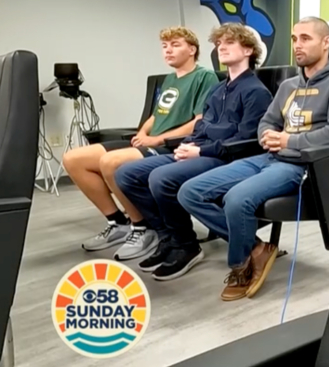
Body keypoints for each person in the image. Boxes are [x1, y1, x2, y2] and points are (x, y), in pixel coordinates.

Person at [178, 16, 329, 301]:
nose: (297, 45)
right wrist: (268, 135)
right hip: (269, 157)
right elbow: (267, 121)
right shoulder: (289, 86)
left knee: (237, 199)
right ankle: (256, 248)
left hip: (303, 166)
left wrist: (290, 140)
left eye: (305, 38)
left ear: (326, 42)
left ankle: (239, 265)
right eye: (293, 38)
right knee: (190, 192)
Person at [114, 23, 273, 280]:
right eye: (218, 43)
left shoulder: (256, 92)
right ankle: (169, 237)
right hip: (202, 151)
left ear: (248, 50)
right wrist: (188, 145)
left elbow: (246, 141)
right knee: (126, 174)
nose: (220, 47)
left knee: (161, 178)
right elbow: (202, 125)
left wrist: (199, 150)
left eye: (228, 42)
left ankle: (186, 244)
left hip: (227, 159)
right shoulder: (218, 89)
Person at [62, 26, 219, 259]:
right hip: (150, 141)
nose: (168, 50)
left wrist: (156, 138)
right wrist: (143, 131)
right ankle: (118, 222)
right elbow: (158, 114)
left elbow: (200, 121)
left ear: (192, 49)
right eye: (164, 46)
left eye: (175, 45)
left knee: (110, 162)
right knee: (73, 159)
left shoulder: (204, 76)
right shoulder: (170, 79)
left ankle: (142, 227)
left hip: (172, 144)